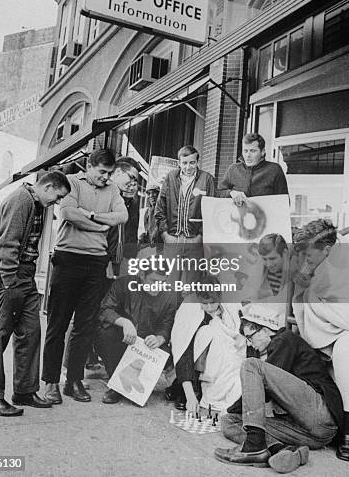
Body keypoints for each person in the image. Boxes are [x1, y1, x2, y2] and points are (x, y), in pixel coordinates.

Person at [0, 171, 71, 417]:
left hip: (25, 277)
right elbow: (6, 244)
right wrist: (10, 282)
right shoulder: (21, 200)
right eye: (56, 197)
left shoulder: (36, 202)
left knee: (31, 332)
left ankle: (24, 391)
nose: (56, 203)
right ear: (48, 187)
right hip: (10, 278)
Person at [42, 149, 128, 404]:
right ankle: (50, 382)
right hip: (68, 259)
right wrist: (101, 225)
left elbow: (121, 216)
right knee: (58, 324)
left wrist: (90, 215)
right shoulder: (73, 184)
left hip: (96, 264)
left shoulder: (113, 190)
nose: (105, 177)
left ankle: (74, 380)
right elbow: (68, 213)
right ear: (89, 167)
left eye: (110, 173)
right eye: (101, 172)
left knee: (85, 325)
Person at [215, 304, 343, 472]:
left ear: (266, 330)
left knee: (251, 365)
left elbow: (262, 387)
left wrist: (232, 408)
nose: (250, 343)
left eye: (250, 337)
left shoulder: (285, 339)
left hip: (320, 414)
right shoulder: (276, 348)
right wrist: (231, 413)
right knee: (229, 422)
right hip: (311, 435)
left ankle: (254, 447)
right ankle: (283, 450)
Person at [293, 219, 349, 462]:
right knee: (336, 384)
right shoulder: (319, 260)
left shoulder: (344, 263)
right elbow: (304, 295)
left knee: (345, 352)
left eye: (310, 255)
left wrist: (310, 291)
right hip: (334, 328)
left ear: (327, 249)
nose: (306, 261)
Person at [95, 269, 177, 404]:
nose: (157, 286)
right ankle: (115, 384)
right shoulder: (123, 283)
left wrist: (159, 338)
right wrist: (124, 322)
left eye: (161, 282)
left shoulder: (170, 294)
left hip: (148, 344)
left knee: (167, 352)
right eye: (153, 281)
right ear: (142, 275)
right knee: (104, 334)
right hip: (123, 338)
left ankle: (139, 386)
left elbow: (167, 325)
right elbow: (105, 309)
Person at [170, 283, 245, 413]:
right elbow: (183, 350)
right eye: (205, 303)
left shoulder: (229, 307)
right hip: (195, 359)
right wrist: (189, 394)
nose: (209, 307)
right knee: (207, 332)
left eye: (213, 302)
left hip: (221, 360)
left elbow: (236, 334)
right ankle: (189, 387)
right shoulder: (190, 310)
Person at [154, 145, 215, 283]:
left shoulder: (207, 179)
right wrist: (165, 234)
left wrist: (200, 236)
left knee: (192, 285)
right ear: (179, 163)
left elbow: (211, 211)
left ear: (197, 162)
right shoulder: (170, 177)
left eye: (192, 162)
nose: (188, 167)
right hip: (173, 239)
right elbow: (160, 208)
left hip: (194, 241)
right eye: (184, 163)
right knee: (170, 284)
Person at [218, 133, 288, 204]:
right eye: (245, 151)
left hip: (264, 214)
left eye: (252, 151)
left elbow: (284, 201)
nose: (248, 155)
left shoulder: (274, 170)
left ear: (263, 151)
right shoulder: (233, 169)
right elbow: (218, 193)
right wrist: (231, 193)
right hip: (238, 214)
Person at [107, 156, 141, 278]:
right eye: (131, 177)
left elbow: (132, 234)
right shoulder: (102, 193)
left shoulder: (131, 200)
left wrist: (130, 261)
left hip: (121, 264)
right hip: (102, 262)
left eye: (136, 181)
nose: (133, 185)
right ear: (117, 172)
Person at [138, 183, 161, 255]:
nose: (151, 196)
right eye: (149, 193)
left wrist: (156, 233)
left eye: (154, 193)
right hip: (152, 249)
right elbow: (148, 230)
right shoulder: (147, 212)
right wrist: (143, 237)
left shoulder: (165, 210)